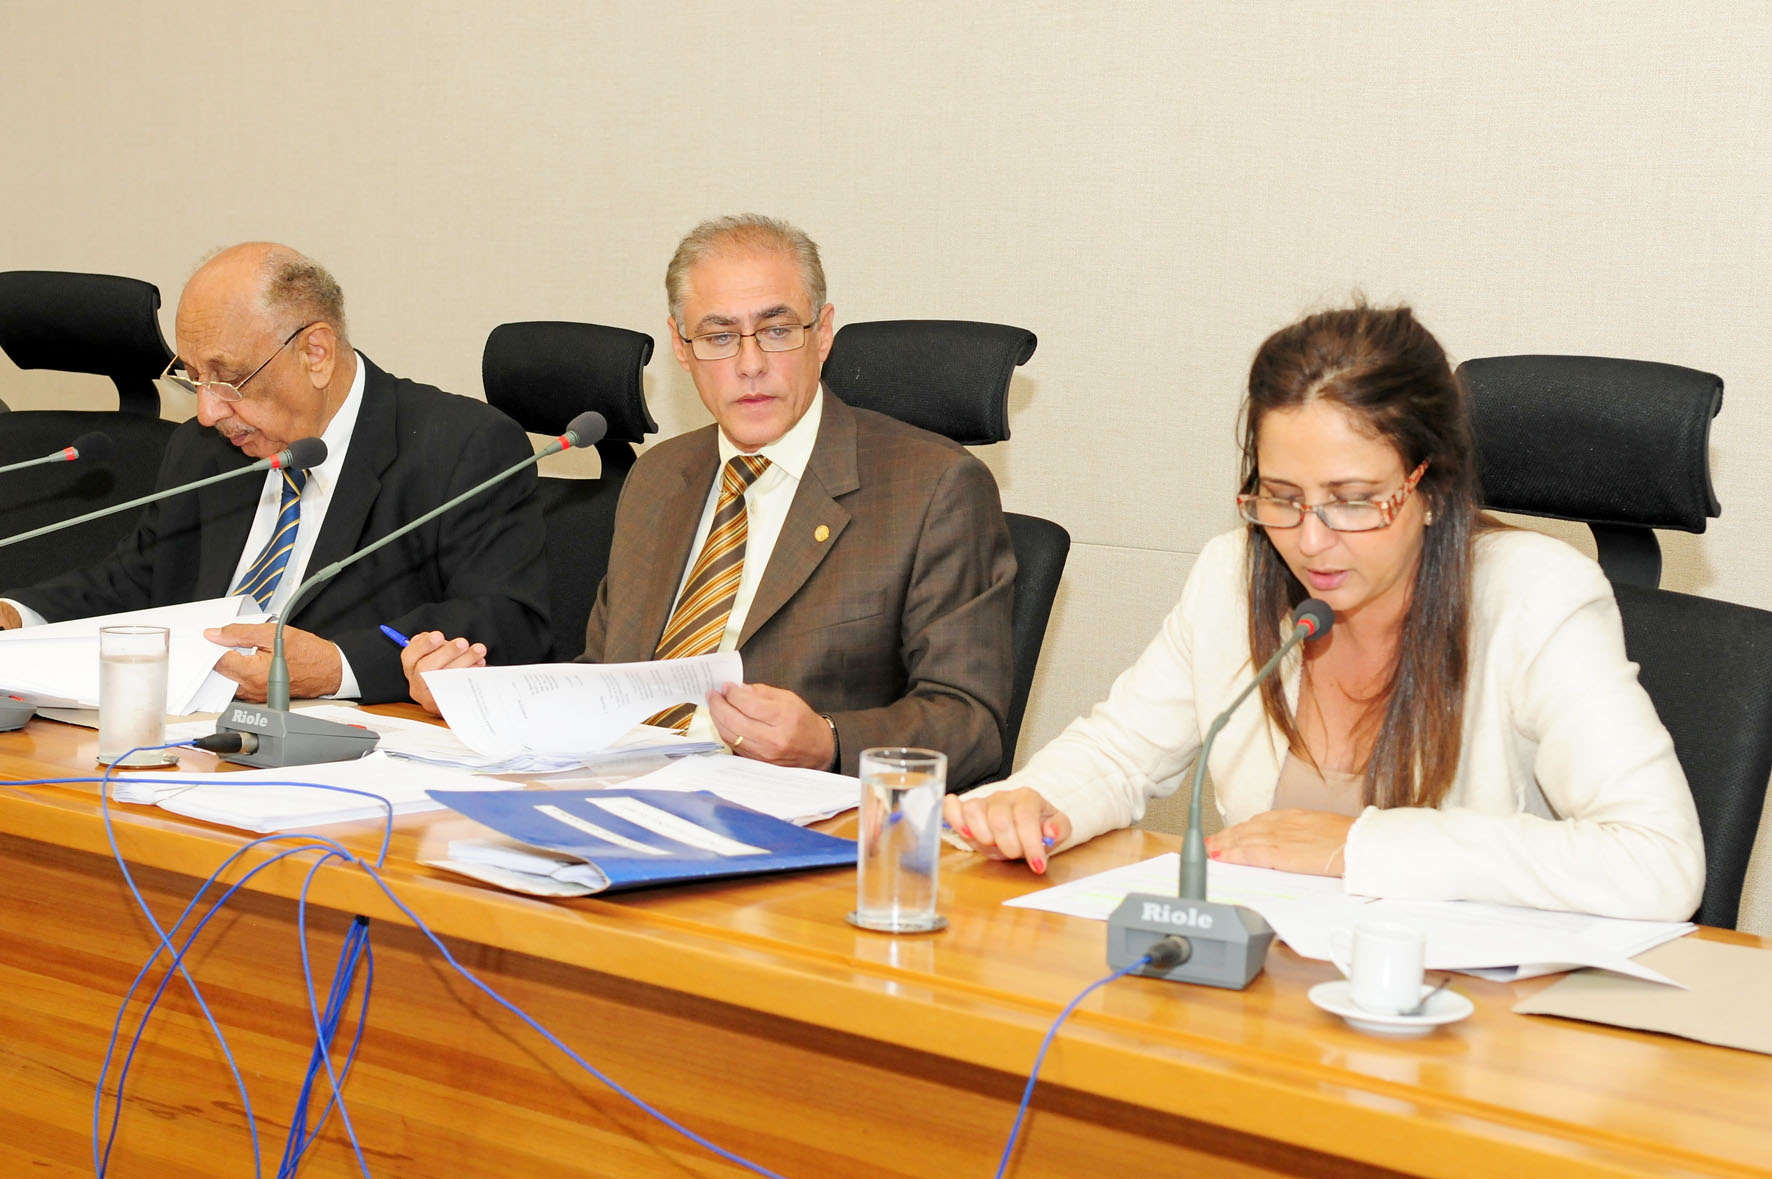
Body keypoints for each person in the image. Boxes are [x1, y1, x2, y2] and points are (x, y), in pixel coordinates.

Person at [946, 303, 1704, 920]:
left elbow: (1659, 861)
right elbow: (1119, 756)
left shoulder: (1535, 597)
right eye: (1281, 497)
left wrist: (1358, 847)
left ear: (1432, 487)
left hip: (1465, 1018)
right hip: (1272, 994)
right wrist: (1035, 803)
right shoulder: (1233, 575)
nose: (1309, 541)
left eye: (1353, 501)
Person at [402, 215, 1016, 789]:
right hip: (617, 794)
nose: (750, 365)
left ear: (823, 333)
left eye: (777, 331)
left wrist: (829, 740)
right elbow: (603, 682)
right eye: (719, 336)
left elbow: (971, 723)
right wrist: (478, 701)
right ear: (681, 346)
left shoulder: (935, 487)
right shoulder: (660, 476)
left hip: (783, 820)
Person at [0, 242, 550, 704]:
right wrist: (17, 616)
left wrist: (338, 668)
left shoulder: (459, 446)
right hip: (191, 729)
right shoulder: (204, 448)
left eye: (228, 379)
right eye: (192, 377)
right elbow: (136, 582)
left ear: (316, 353)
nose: (207, 412)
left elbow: (509, 621)